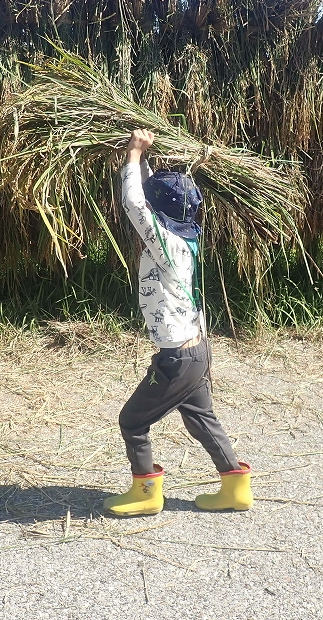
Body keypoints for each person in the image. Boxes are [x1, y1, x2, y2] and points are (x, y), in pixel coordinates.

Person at [103, 128, 252, 516]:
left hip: (177, 359)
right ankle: (236, 487)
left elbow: (136, 203)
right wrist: (145, 161)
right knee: (201, 419)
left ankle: (146, 495)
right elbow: (153, 200)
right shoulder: (187, 235)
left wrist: (134, 154)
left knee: (132, 422)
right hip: (196, 351)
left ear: (160, 214)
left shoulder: (164, 242)